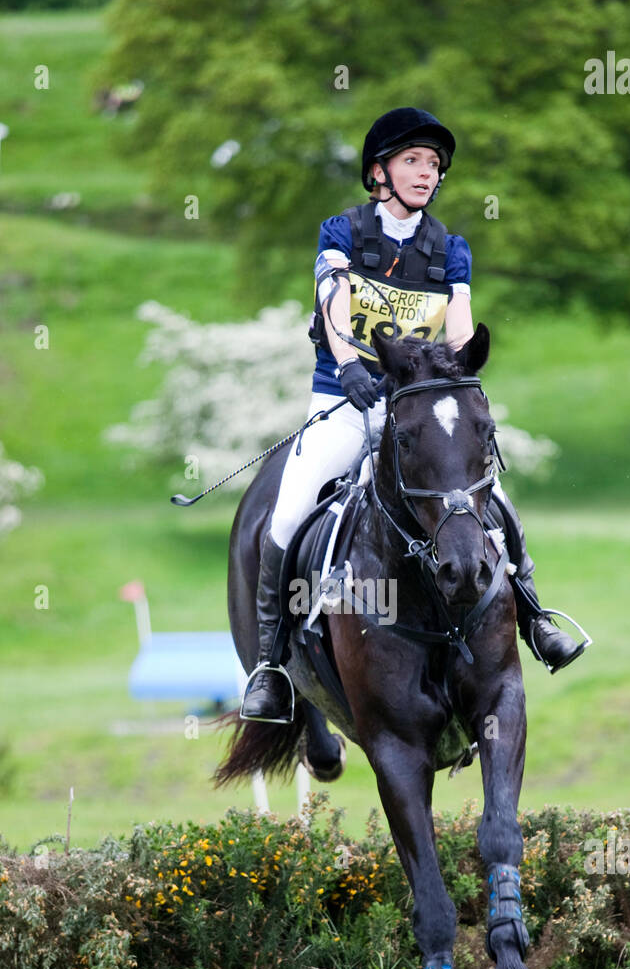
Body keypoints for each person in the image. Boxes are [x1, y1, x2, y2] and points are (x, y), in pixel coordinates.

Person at [240, 107, 586, 723]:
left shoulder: (450, 249)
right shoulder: (342, 231)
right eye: (412, 162)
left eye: (433, 165)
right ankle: (270, 664)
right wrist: (347, 363)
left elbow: (457, 328)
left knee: (495, 500)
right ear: (380, 172)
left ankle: (535, 617)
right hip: (344, 402)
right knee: (289, 512)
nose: (426, 174)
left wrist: (452, 383)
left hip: (419, 407)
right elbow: (333, 302)